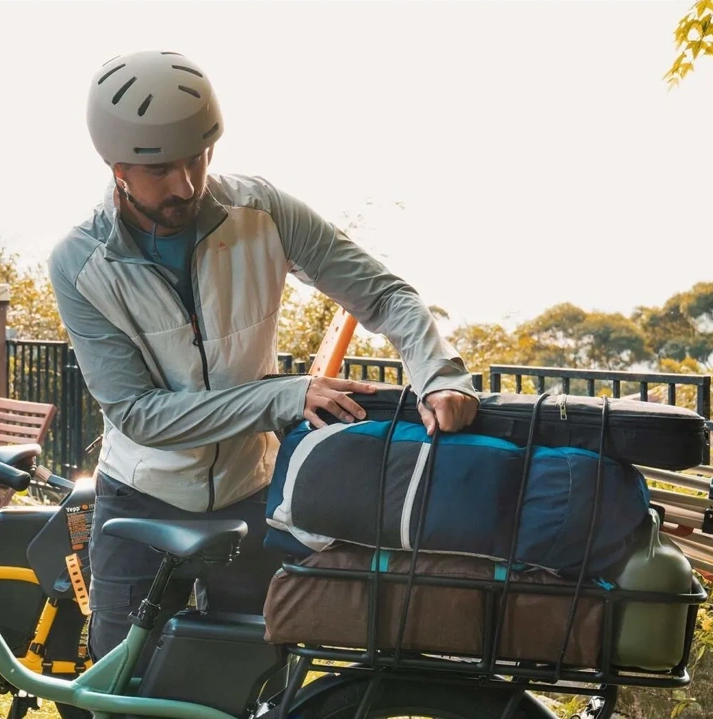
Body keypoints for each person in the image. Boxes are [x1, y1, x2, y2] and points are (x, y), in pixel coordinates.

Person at [47, 49, 480, 667]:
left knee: (256, 676)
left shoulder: (264, 212)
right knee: (121, 682)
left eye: (198, 157)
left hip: (252, 493)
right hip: (139, 498)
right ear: (118, 169)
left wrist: (439, 375)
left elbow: (384, 294)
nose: (186, 185)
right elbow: (139, 414)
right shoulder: (80, 263)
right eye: (161, 169)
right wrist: (284, 394)